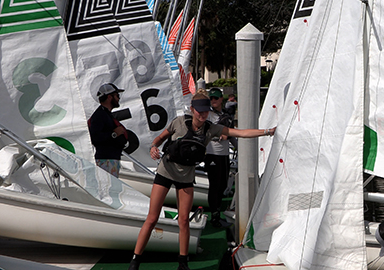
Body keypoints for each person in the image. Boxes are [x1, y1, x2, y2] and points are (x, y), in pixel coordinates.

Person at [129, 93, 276, 270]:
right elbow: (159, 139)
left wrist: (267, 132)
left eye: (205, 111)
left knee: (184, 220)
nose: (202, 115)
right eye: (199, 111)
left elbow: (240, 133)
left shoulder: (211, 129)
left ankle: (183, 263)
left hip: (186, 176)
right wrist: (153, 147)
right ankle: (135, 261)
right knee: (152, 218)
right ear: (192, 109)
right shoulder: (179, 122)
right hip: (166, 172)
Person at [205, 88, 237, 227]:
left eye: (216, 98)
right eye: (211, 98)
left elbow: (230, 135)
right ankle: (215, 216)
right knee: (215, 185)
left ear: (221, 99)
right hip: (212, 154)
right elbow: (205, 132)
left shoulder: (226, 115)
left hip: (224, 155)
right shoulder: (207, 115)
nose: (213, 101)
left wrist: (239, 147)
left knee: (223, 185)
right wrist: (219, 136)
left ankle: (217, 213)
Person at [88, 83, 127, 178]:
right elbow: (95, 137)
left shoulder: (106, 114)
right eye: (117, 95)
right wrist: (114, 134)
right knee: (107, 190)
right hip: (105, 160)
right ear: (110, 97)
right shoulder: (100, 115)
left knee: (111, 189)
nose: (119, 98)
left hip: (110, 160)